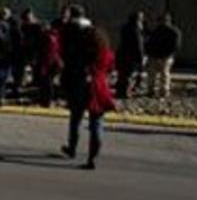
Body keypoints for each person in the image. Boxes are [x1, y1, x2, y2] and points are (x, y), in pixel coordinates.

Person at [61, 22, 115, 169]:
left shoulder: (80, 52)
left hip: (81, 87)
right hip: (99, 87)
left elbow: (72, 68)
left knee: (76, 119)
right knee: (96, 124)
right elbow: (110, 68)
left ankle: (72, 147)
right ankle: (92, 158)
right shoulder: (106, 53)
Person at [145, 12, 182, 98]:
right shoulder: (168, 31)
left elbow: (175, 45)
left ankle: (160, 91)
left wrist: (166, 54)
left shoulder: (171, 32)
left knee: (161, 74)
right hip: (157, 55)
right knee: (160, 74)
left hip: (163, 56)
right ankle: (157, 91)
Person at [114, 10, 146, 99]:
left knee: (122, 75)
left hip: (122, 54)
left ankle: (120, 91)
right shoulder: (136, 30)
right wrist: (141, 58)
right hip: (131, 56)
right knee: (129, 75)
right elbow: (138, 45)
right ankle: (125, 92)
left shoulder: (125, 28)